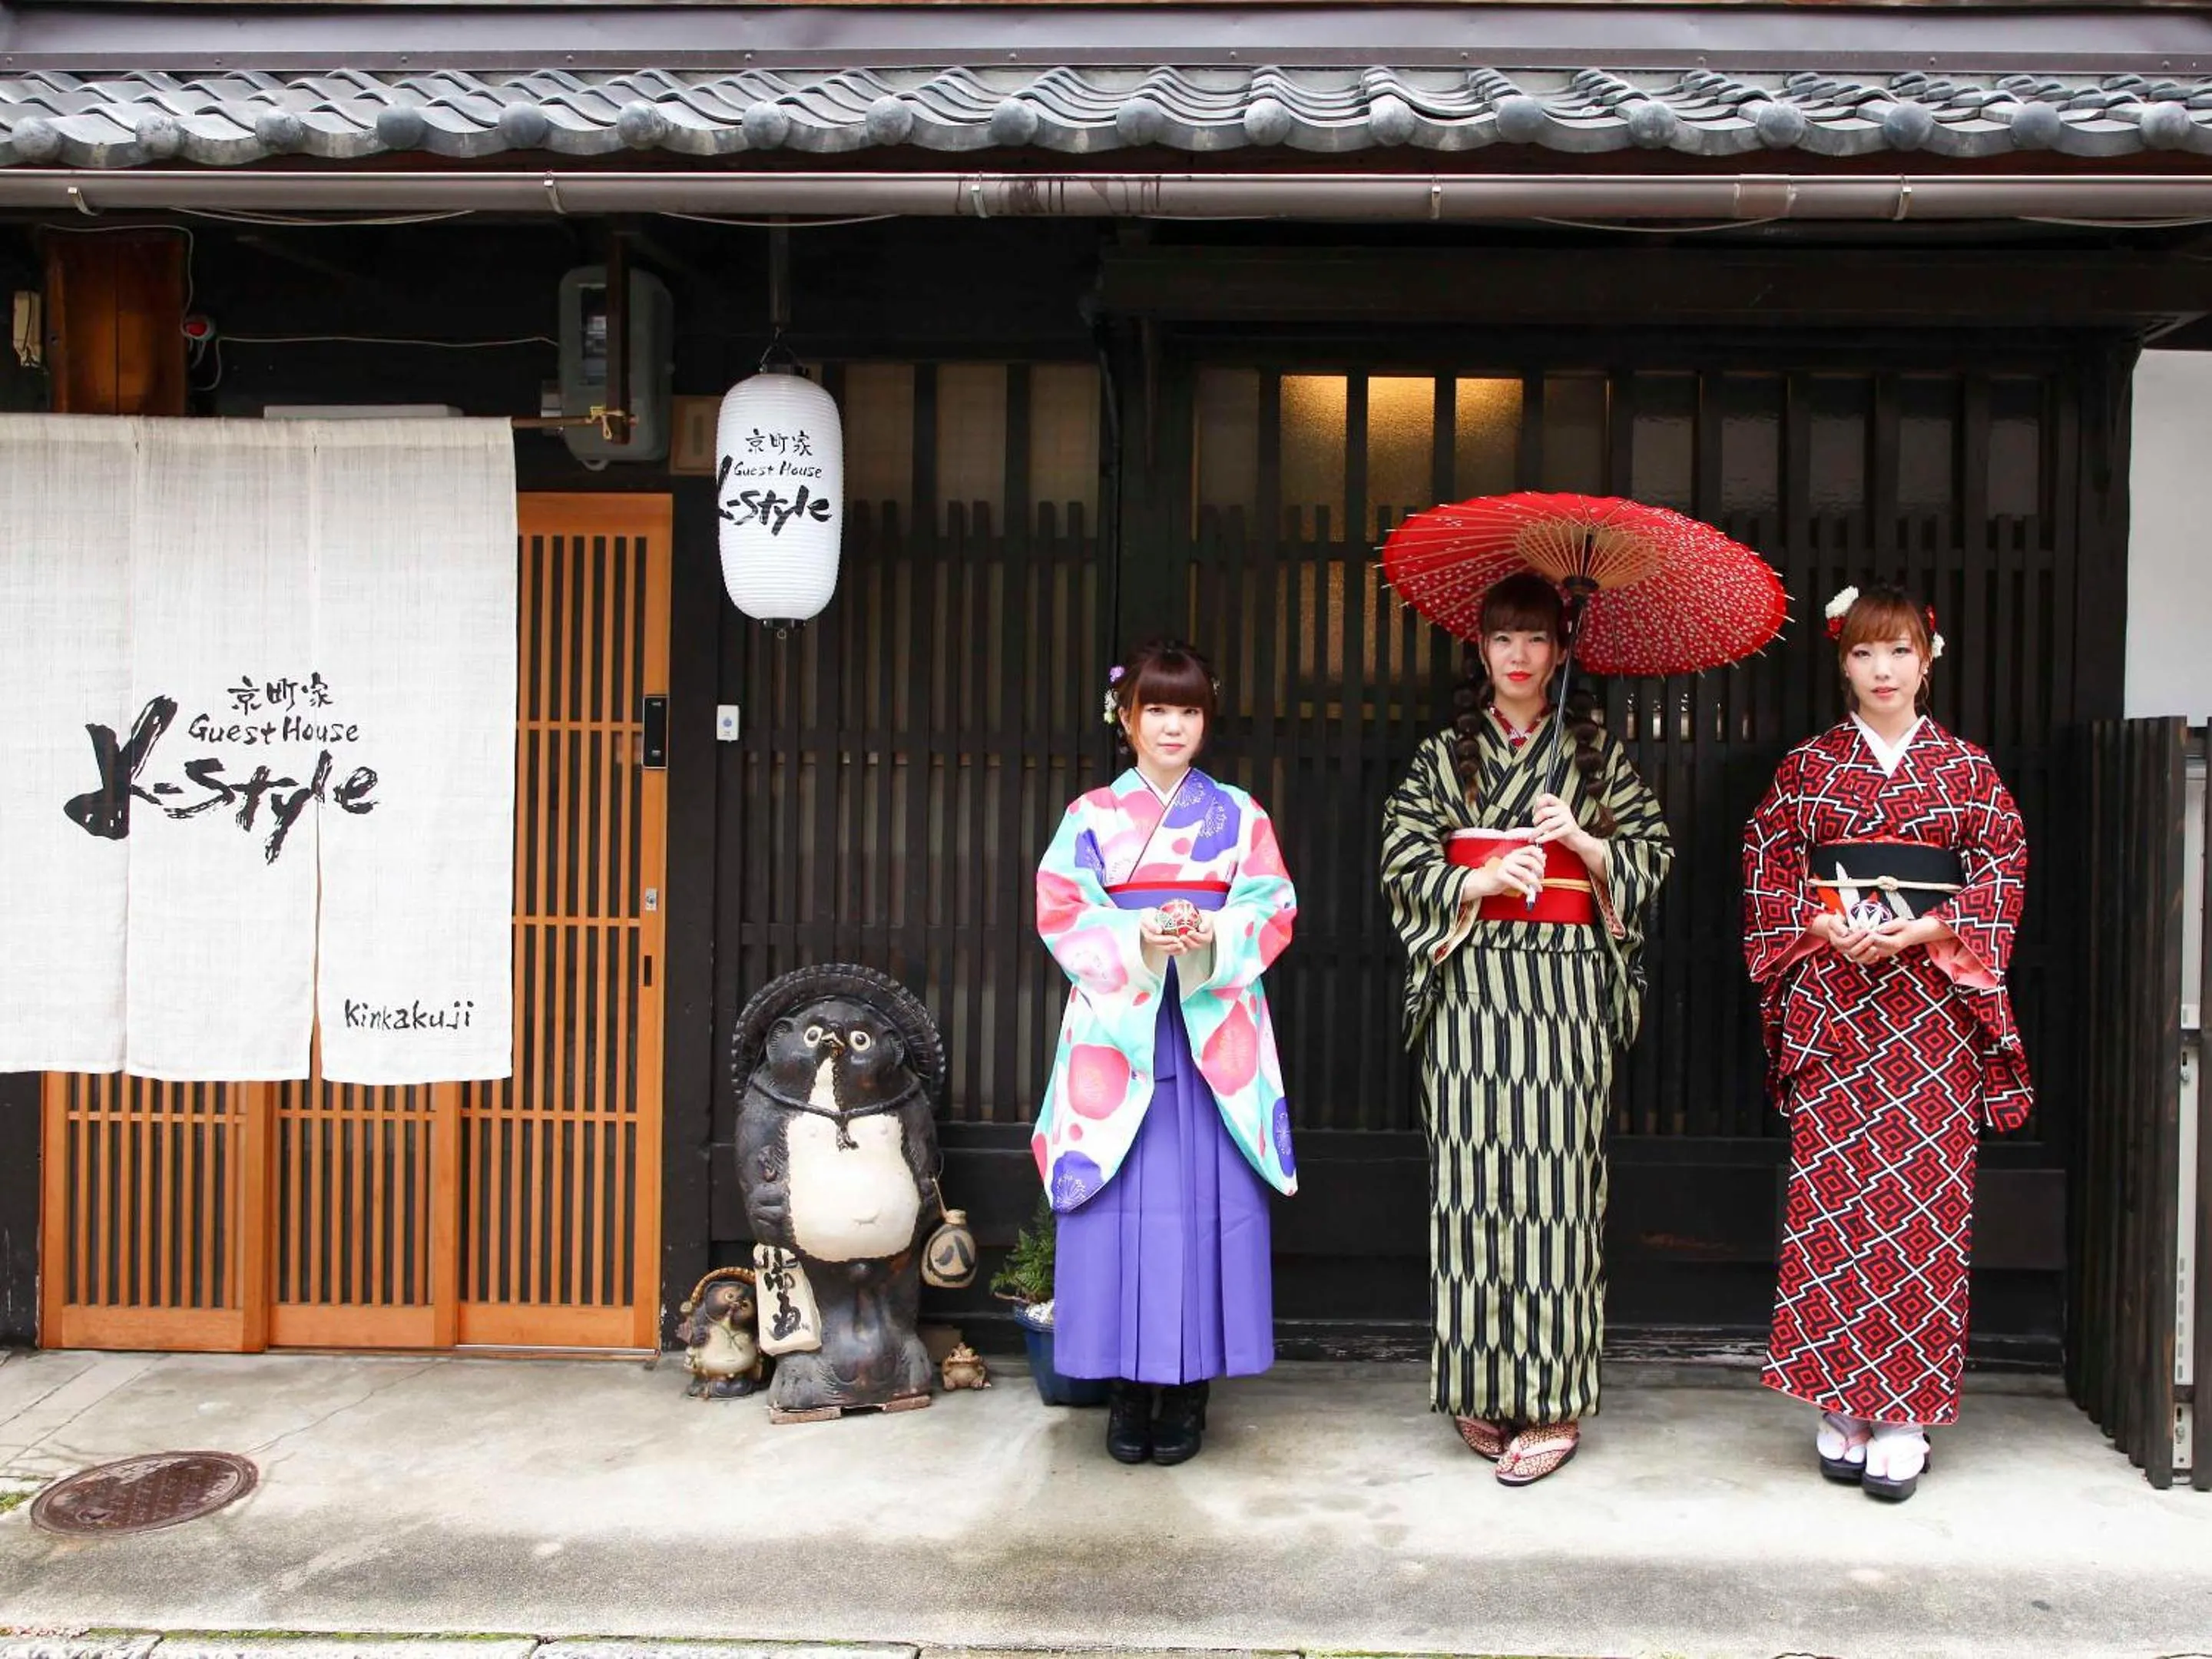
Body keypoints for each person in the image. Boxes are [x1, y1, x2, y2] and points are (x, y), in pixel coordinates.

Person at [1379, 573, 1672, 1486]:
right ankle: (1479, 1383)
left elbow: (1651, 857)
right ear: (1480, 650)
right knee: (1470, 1185)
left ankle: (1550, 1399)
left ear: (1558, 652)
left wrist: (1584, 843)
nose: (1518, 656)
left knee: (1556, 1194)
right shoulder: (1445, 757)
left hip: (1566, 995)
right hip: (1471, 988)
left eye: (1536, 639)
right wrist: (1473, 881)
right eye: (1502, 638)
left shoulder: (1595, 757)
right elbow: (1401, 852)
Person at [1742, 583, 2032, 1502]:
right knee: (1832, 1201)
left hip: (1930, 1013)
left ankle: (1905, 1410)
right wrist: (1826, 926)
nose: (1883, 671)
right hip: (1835, 1006)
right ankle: (1840, 1401)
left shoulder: (1967, 771)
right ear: (1842, 663)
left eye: (1900, 651)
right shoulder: (1807, 770)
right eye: (1866, 654)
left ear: (1928, 659)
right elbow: (1767, 864)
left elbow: (2003, 865)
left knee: (1921, 1206)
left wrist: (1922, 929)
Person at [1032, 637, 1297, 1467]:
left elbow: (1273, 905)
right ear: (1127, 719)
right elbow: (1062, 910)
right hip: (1120, 1036)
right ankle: (1124, 1391)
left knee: (1199, 1215)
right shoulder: (1092, 817)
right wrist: (1134, 932)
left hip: (1211, 1030)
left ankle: (1186, 1393)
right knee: (1116, 1210)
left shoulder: (1241, 814)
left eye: (1188, 710)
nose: (1173, 726)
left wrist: (1211, 930)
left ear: (1206, 720)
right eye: (1157, 709)